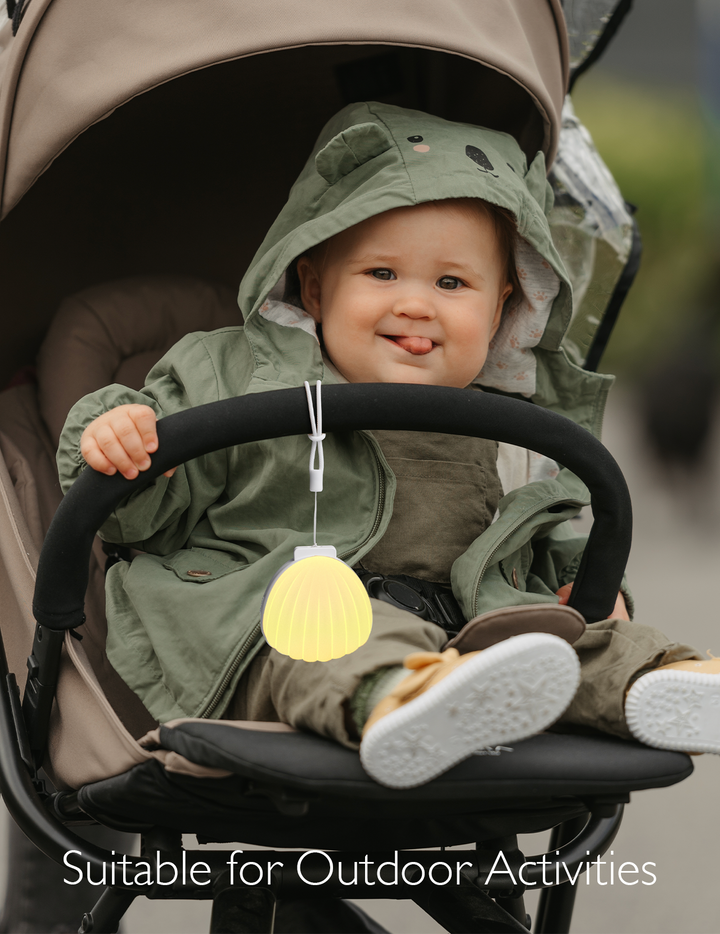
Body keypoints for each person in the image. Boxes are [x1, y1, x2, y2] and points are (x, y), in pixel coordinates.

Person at [57, 103, 720, 789]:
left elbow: (536, 537)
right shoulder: (233, 379)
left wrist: (590, 590)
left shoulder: (508, 425)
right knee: (338, 642)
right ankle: (407, 700)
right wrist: (122, 443)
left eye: (452, 284)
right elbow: (135, 519)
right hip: (283, 627)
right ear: (314, 288)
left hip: (475, 638)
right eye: (381, 274)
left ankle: (660, 687)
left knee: (577, 641)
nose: (416, 304)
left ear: (501, 311)